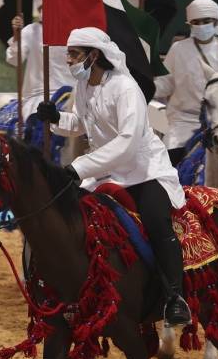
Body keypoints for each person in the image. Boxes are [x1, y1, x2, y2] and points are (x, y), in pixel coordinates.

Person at [36, 27, 191, 327]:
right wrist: (57, 119)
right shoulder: (84, 87)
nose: (68, 60)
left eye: (74, 54)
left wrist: (79, 168)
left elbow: (127, 142)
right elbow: (83, 124)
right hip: (105, 172)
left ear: (94, 56)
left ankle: (175, 298)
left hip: (144, 171)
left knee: (157, 221)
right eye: (68, 54)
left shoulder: (125, 88)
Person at [154, 0, 218, 166]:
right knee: (169, 164)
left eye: (206, 21)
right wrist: (142, 87)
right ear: (190, 23)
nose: (201, 26)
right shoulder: (178, 50)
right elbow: (165, 84)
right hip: (184, 122)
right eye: (196, 22)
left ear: (216, 21)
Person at [6, 0, 72, 121]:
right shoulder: (31, 31)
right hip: (40, 95)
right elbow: (14, 60)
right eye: (41, 8)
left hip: (71, 93)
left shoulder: (74, 31)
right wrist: (16, 35)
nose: (45, 11)